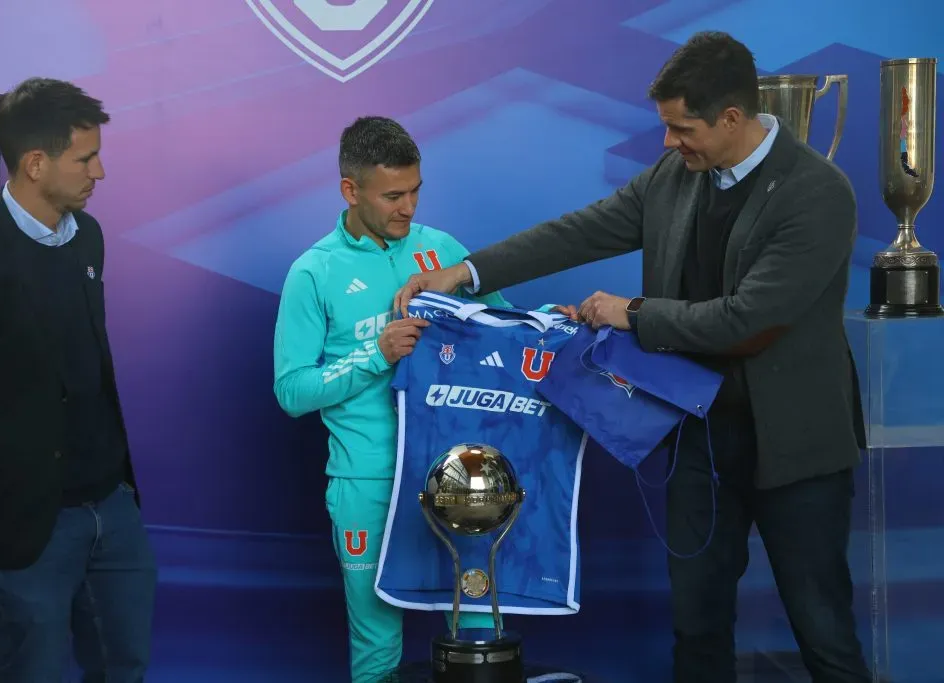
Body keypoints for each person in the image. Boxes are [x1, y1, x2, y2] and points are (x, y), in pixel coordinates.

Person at [393, 31, 872, 683]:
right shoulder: (676, 177)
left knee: (823, 629)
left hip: (797, 450)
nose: (669, 143)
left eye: (683, 129)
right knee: (697, 627)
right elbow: (579, 231)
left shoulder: (817, 191)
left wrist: (634, 312)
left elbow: (748, 320)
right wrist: (466, 272)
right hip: (698, 440)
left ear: (732, 118)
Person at [0, 78, 156, 682]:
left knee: (124, 666)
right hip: (29, 527)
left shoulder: (88, 238)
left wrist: (114, 489)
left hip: (113, 510)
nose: (99, 171)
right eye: (85, 158)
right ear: (34, 163)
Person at [273, 116, 521, 683]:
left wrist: (561, 324)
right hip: (367, 481)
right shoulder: (313, 272)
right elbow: (292, 391)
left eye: (415, 191)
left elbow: (506, 331)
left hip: (458, 476)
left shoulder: (442, 250)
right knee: (377, 641)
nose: (407, 208)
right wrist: (376, 354)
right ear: (350, 190)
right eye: (392, 196)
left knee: (476, 626)